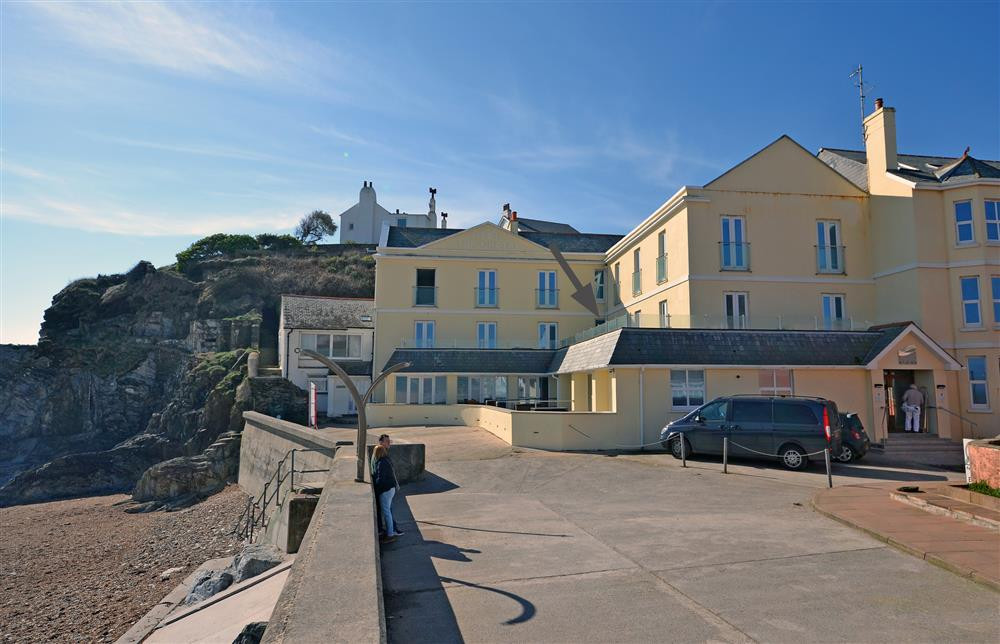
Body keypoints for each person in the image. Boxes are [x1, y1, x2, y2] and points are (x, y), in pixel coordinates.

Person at [372, 444, 403, 542]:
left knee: (386, 512)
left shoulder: (381, 463)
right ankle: (391, 531)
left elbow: (381, 479)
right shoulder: (386, 460)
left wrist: (376, 489)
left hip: (386, 490)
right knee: (388, 510)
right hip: (391, 489)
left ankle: (390, 534)